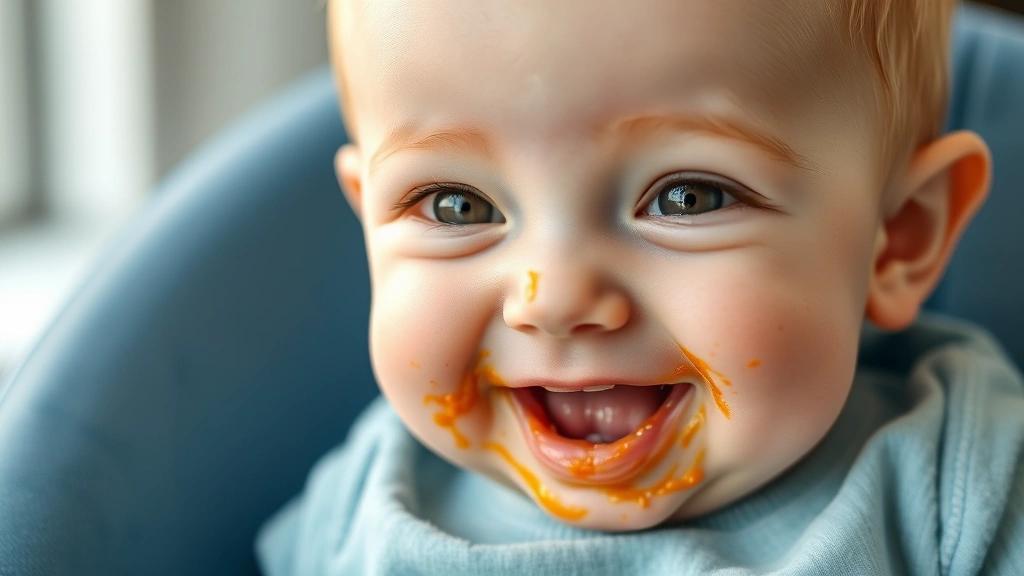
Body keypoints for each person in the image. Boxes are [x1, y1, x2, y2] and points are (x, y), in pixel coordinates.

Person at [257, 0, 1024, 573]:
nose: (553, 298)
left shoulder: (960, 486)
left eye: (688, 198)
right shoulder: (357, 512)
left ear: (899, 238)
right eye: (459, 207)